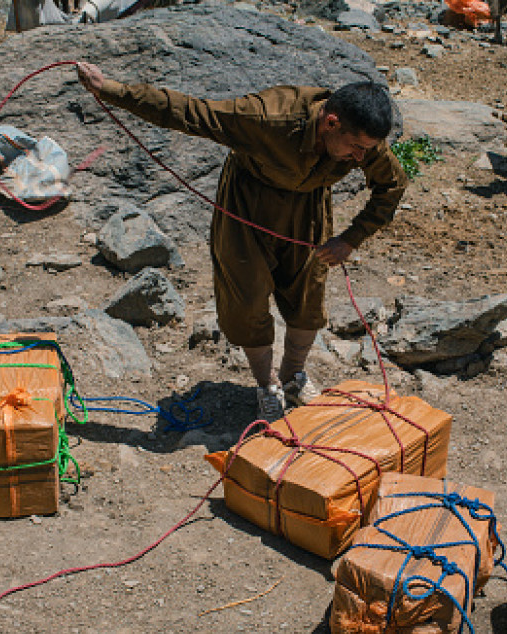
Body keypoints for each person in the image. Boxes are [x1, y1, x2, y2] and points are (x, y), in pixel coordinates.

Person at [76, 62, 409, 420]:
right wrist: (109, 89)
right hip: (247, 205)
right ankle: (267, 386)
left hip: (307, 208)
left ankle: (293, 377)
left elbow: (392, 184)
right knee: (247, 299)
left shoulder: (363, 140)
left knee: (308, 296)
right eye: (355, 148)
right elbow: (190, 111)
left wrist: (351, 238)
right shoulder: (267, 117)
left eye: (366, 150)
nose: (361, 158)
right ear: (331, 123)